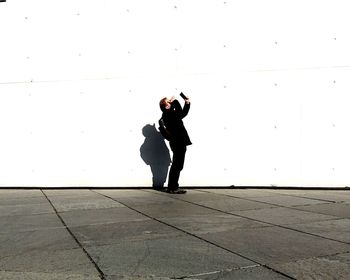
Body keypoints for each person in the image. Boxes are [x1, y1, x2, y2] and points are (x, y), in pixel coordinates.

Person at [159, 94, 192, 194]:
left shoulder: (170, 114)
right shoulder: (168, 115)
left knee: (178, 165)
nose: (171, 102)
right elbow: (179, 113)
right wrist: (176, 101)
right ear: (166, 106)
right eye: (169, 102)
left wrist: (186, 103)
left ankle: (173, 187)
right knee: (177, 165)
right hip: (177, 142)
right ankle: (172, 188)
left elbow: (182, 113)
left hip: (179, 142)